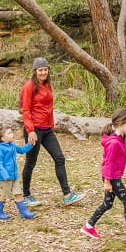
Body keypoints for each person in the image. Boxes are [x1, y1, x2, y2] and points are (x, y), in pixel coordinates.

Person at [20, 57, 84, 207]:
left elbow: (48, 108)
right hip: (34, 130)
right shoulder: (29, 86)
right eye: (40, 70)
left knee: (59, 158)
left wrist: (51, 125)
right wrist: (30, 131)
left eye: (45, 69)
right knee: (30, 162)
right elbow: (26, 110)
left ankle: (67, 195)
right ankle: (26, 195)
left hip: (47, 130)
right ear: (35, 71)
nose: (43, 72)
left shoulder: (47, 85)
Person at [80, 108, 126, 242]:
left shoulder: (120, 137)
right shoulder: (114, 143)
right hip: (112, 177)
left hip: (112, 176)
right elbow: (109, 163)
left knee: (107, 203)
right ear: (120, 123)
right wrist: (107, 182)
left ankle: (88, 227)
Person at [0, 127, 36, 220]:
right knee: (4, 195)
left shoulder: (12, 145)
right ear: (3, 138)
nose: (12, 134)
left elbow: (21, 150)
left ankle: (24, 212)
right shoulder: (0, 149)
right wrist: (4, 174)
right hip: (5, 178)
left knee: (18, 193)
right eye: (9, 133)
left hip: (14, 175)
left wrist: (30, 145)